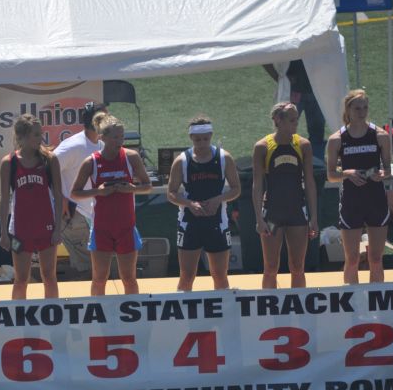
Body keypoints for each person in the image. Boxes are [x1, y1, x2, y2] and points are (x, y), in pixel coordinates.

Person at [70, 113, 152, 296]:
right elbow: (75, 193)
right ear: (102, 138)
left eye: (122, 136)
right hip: (102, 228)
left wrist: (131, 188)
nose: (120, 141)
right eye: (115, 137)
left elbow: (148, 187)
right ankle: (97, 317)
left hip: (126, 227)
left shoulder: (131, 157)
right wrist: (98, 192)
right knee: (99, 278)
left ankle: (134, 316)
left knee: (129, 278)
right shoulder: (91, 162)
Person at [167, 116, 240, 291]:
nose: (202, 143)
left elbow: (236, 189)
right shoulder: (182, 161)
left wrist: (218, 200)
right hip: (190, 223)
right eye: (198, 139)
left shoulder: (224, 158)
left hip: (217, 222)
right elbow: (171, 193)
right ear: (191, 138)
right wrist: (189, 204)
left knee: (220, 274)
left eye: (206, 139)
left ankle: (224, 313)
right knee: (187, 275)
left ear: (211, 135)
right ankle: (182, 314)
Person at [326, 89, 392, 284]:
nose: (362, 112)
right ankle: (352, 306)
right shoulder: (336, 139)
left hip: (376, 201)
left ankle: (376, 303)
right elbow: (331, 176)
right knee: (352, 259)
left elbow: (387, 169)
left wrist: (382, 175)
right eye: (357, 108)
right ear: (348, 109)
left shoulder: (380, 135)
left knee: (376, 259)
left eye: (365, 108)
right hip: (351, 203)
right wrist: (347, 173)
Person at [252, 103, 319, 289]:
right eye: (291, 120)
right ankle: (268, 310)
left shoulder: (303, 145)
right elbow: (257, 185)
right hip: (272, 214)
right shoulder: (262, 147)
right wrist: (259, 218)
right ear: (278, 120)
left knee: (298, 267)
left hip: (297, 213)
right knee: (270, 267)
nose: (295, 124)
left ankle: (299, 310)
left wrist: (314, 217)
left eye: (297, 120)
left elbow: (310, 183)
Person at [0, 114, 63, 299]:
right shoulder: (9, 163)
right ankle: (18, 322)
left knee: (49, 276)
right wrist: (3, 232)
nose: (40, 138)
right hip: (21, 230)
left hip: (46, 227)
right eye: (36, 135)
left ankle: (53, 319)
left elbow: (58, 196)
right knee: (20, 279)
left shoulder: (49, 159)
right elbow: (4, 200)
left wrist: (58, 228)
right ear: (22, 137)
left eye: (40, 133)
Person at [54, 102, 107, 279]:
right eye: (106, 118)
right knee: (87, 269)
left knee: (98, 267)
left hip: (94, 214)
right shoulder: (73, 146)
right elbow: (46, 170)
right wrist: (61, 199)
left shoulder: (101, 144)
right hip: (76, 214)